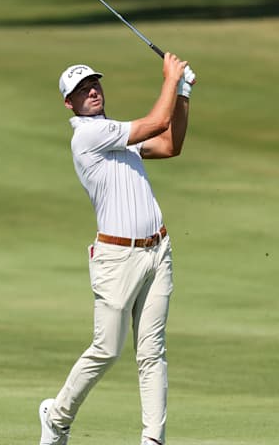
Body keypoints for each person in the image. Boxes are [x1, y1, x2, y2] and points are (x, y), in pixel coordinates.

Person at [39, 53, 196, 445]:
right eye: (80, 90)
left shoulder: (114, 133)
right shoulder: (87, 135)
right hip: (117, 258)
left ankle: (153, 440)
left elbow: (170, 144)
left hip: (157, 251)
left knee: (152, 352)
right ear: (69, 103)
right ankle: (57, 419)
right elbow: (157, 122)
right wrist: (171, 80)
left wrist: (185, 92)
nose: (91, 91)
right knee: (107, 349)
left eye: (93, 84)